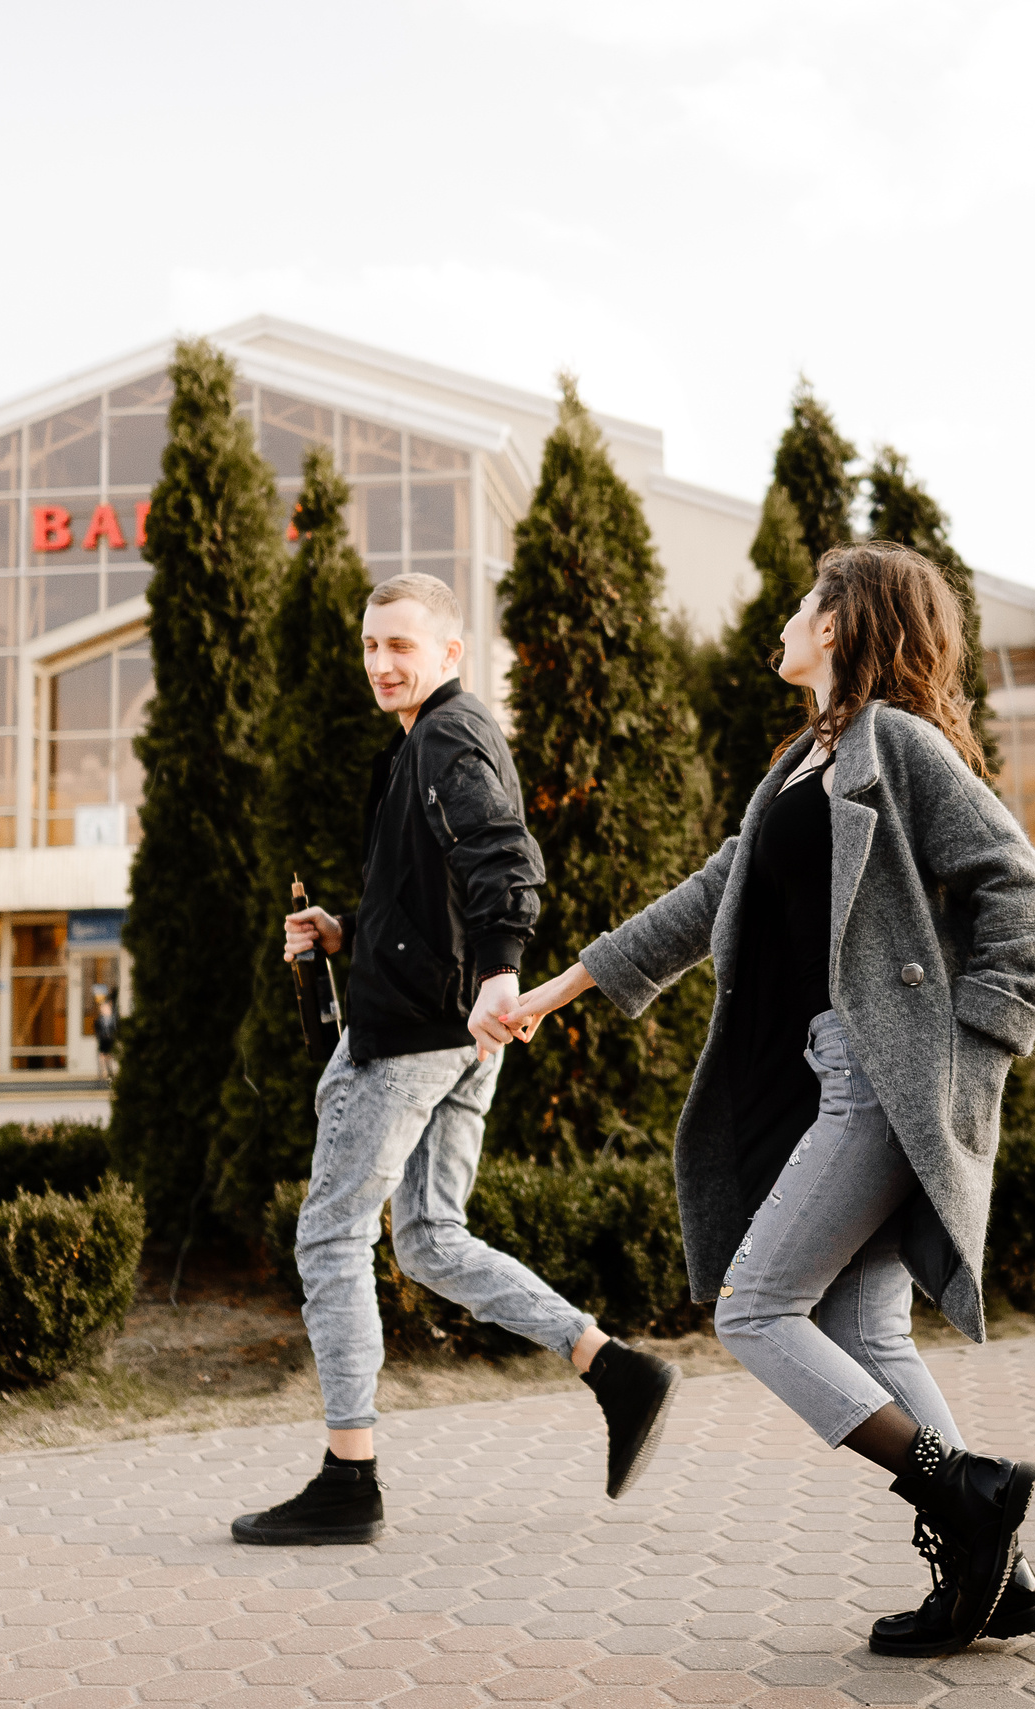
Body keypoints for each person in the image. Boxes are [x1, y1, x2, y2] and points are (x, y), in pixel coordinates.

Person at [499, 543, 1035, 1655]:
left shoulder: (893, 746)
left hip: (880, 1075)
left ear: (845, 623)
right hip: (833, 1073)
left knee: (754, 1307)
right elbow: (705, 899)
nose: (788, 616)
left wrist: (964, 1047)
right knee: (868, 1336)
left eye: (807, 602)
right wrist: (552, 993)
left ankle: (966, 1498)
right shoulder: (805, 762)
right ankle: (1004, 1572)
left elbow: (1025, 897)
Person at [230, 572, 682, 1547]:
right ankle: (611, 1365)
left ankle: (350, 1475)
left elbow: (501, 856)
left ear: (449, 653)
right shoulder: (421, 747)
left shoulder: (446, 733)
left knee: (330, 1235)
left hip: (412, 1036)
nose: (382, 662)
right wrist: (347, 930)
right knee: (430, 1235)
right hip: (461, 1029)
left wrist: (504, 966)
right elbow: (434, 892)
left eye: (402, 643)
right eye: (370, 645)